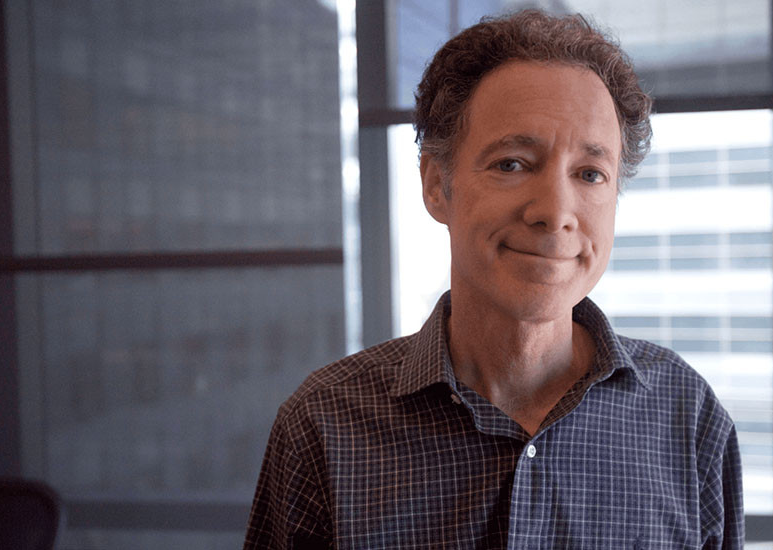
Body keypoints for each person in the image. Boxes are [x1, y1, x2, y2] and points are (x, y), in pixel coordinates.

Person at [244, 9, 743, 549]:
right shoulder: (324, 424)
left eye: (590, 173)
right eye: (512, 164)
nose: (555, 212)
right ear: (437, 185)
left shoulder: (687, 416)